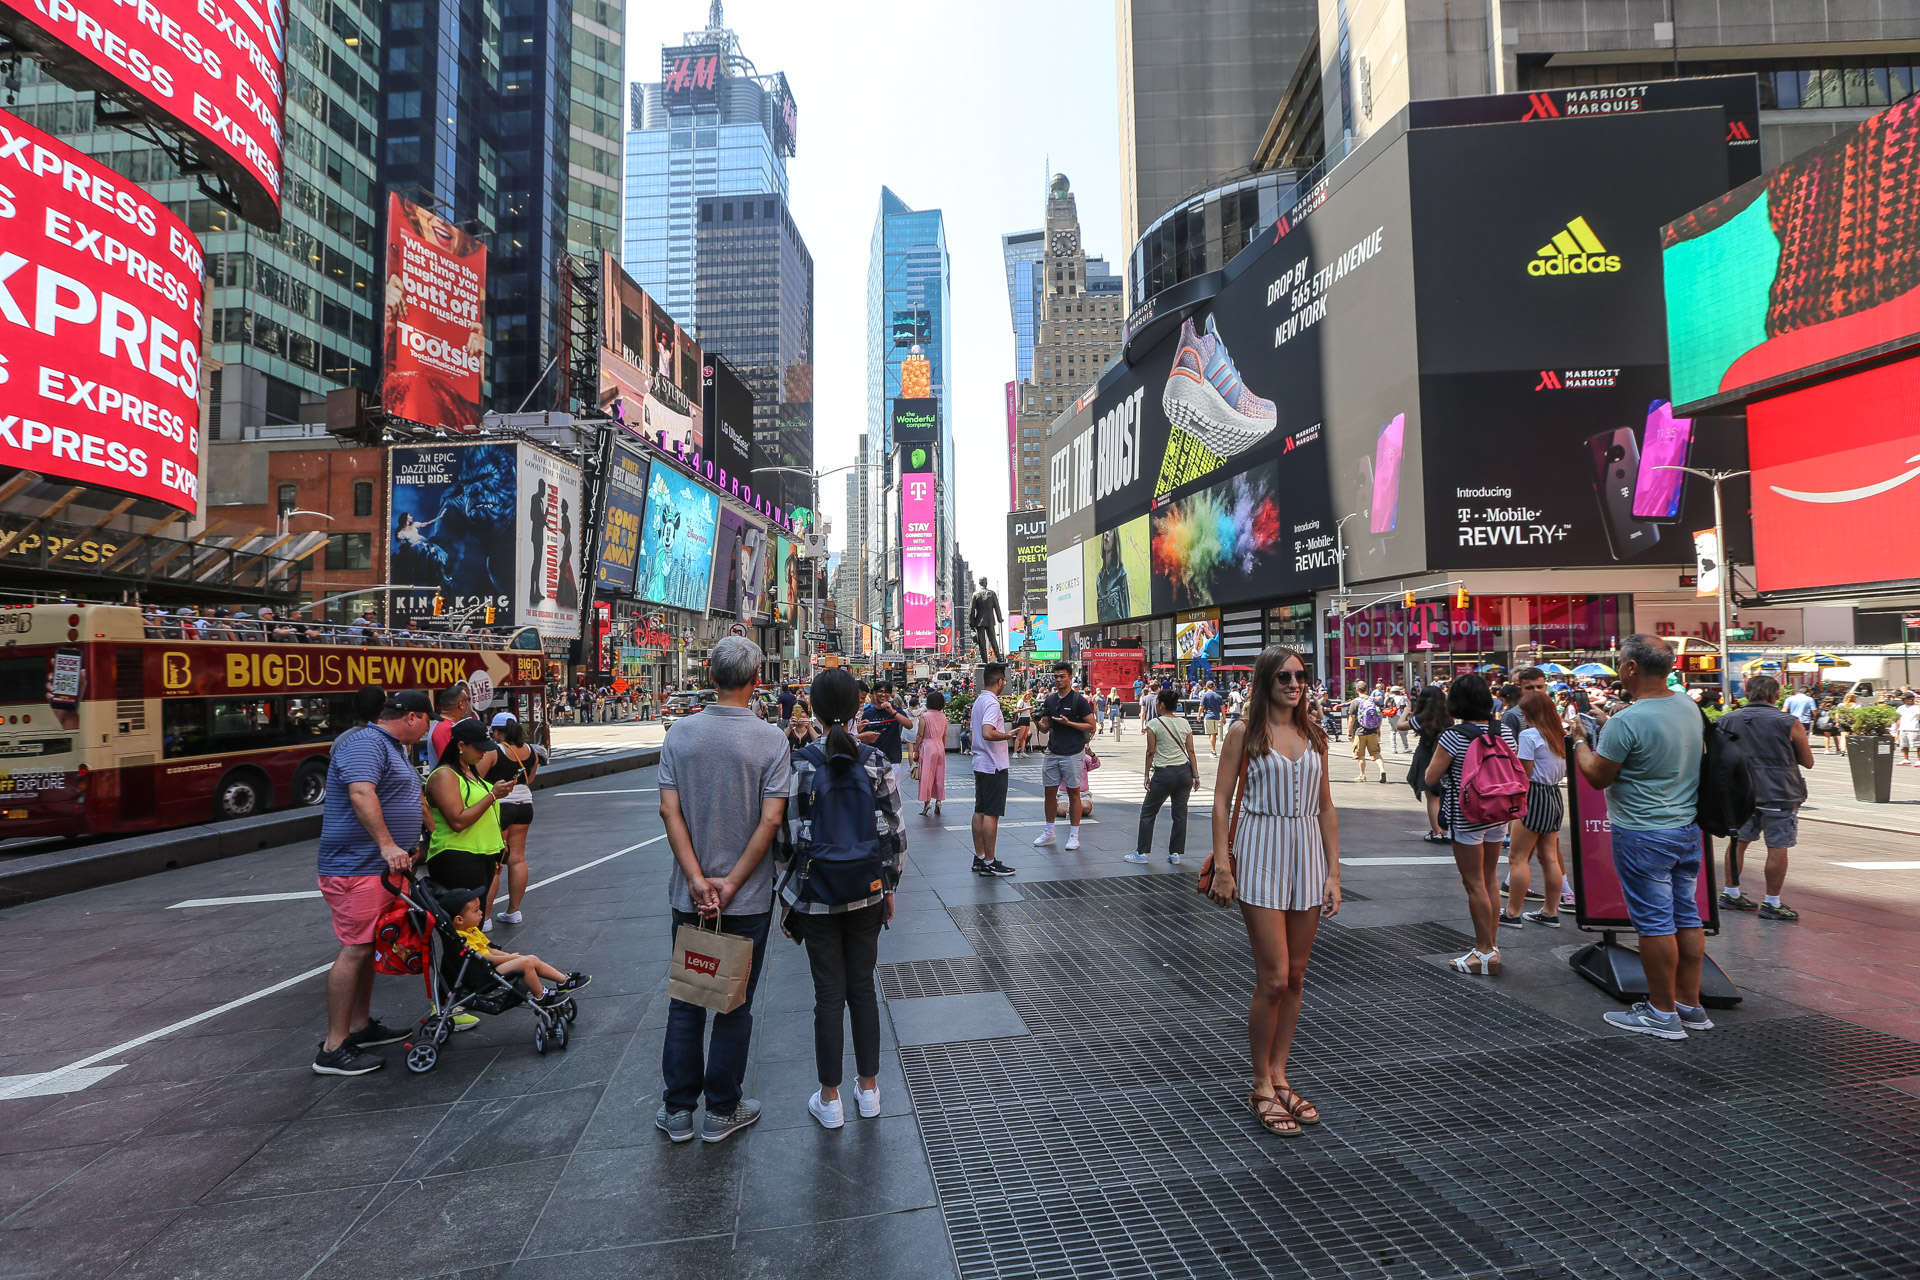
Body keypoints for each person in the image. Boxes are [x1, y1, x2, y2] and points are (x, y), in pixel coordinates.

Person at [656, 636, 791, 1144]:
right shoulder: (770, 740)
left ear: (710, 677)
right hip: (746, 899)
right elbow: (772, 819)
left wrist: (696, 878)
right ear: (757, 681)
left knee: (688, 998)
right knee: (734, 1003)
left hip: (688, 897)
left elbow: (670, 811)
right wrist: (731, 883)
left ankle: (677, 1111)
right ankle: (721, 1111)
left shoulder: (680, 735)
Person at [1204, 645, 1341, 1137]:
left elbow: (1325, 808)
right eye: (1283, 676)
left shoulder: (1314, 734)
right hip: (1260, 853)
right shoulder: (1245, 732)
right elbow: (1221, 802)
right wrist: (1223, 864)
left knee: (1299, 977)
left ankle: (1280, 1074)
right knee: (1275, 978)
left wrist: (1333, 873)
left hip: (1305, 855)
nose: (1293, 684)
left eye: (1300, 676)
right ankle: (1260, 1081)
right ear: (1266, 681)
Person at [774, 668, 905, 1130]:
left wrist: (788, 898)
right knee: (863, 989)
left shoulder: (800, 762)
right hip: (867, 893)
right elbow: (894, 833)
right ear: (856, 708)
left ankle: (829, 1099)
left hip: (816, 896)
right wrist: (887, 885)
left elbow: (786, 839)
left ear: (814, 706)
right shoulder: (874, 761)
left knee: (828, 995)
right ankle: (868, 1090)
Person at [1568, 634, 1713, 1040]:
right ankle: (1690, 1005)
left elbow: (1597, 776)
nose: (1618, 667)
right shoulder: (1687, 706)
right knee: (1686, 916)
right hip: (1686, 829)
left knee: (1653, 924)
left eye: (1619, 661)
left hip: (1642, 834)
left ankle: (1661, 1013)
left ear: (1632, 667)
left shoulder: (1626, 721)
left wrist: (1581, 740)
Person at [312, 689, 434, 1076]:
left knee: (369, 946)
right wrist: (386, 845)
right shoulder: (366, 743)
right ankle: (333, 1047)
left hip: (380, 869)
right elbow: (361, 792)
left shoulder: (392, 746)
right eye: (426, 721)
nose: (428, 731)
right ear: (413, 717)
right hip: (357, 868)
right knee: (356, 950)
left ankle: (361, 1027)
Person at [1425, 674, 1508, 974]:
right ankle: (1492, 946)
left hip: (1468, 815)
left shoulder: (1453, 736)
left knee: (1473, 884)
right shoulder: (1504, 731)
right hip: (1499, 811)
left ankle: (1483, 952)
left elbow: (1431, 778)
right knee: (1490, 880)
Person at [1718, 675, 1812, 920]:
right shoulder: (1788, 722)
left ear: (1747, 693)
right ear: (1776, 694)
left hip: (1742, 793)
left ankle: (1731, 893)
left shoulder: (1726, 720)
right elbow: (1807, 761)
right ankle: (1772, 902)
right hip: (1779, 793)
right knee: (1778, 846)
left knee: (1738, 843)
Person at [424, 718, 514, 935]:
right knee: (466, 925)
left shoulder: (471, 773)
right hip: (457, 855)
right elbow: (458, 821)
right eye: (479, 748)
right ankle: (463, 966)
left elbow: (487, 816)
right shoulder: (445, 775)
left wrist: (497, 850)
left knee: (476, 922)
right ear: (461, 746)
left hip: (480, 854)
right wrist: (493, 795)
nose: (484, 753)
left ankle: (473, 965)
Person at [441, 888, 588, 1001]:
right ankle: (540, 996)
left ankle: (563, 981)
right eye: (476, 911)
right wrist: (509, 958)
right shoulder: (462, 939)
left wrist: (507, 956)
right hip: (481, 975)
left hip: (489, 968)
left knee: (531, 958)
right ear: (459, 920)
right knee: (524, 962)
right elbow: (485, 958)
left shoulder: (472, 929)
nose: (481, 913)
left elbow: (489, 949)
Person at [1500, 691, 1570, 928]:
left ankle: (1512, 913)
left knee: (1517, 858)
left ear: (1529, 713)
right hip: (1554, 795)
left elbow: (1525, 773)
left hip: (1533, 795)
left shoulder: (1530, 735)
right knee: (1549, 857)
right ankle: (1550, 912)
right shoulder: (1560, 735)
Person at [1127, 687, 1198, 865]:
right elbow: (1191, 750)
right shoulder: (1184, 723)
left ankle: (1141, 852)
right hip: (1184, 772)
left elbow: (1151, 751)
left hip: (1164, 773)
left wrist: (1146, 775)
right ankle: (1175, 853)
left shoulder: (1154, 724)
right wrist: (1195, 774)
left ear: (1161, 704)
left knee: (1148, 812)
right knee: (1180, 813)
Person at [1033, 662, 1098, 851]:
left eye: (1062, 676)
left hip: (1073, 752)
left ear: (1070, 677)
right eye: (1056, 676)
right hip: (1053, 751)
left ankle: (1074, 835)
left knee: (1074, 793)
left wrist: (1069, 723)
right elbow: (1045, 727)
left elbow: (1091, 726)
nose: (1058, 680)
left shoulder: (1078, 700)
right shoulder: (1051, 699)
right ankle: (1049, 831)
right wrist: (1037, 721)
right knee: (1049, 792)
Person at [485, 712, 538, 925]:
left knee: (493, 861)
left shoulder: (494, 751)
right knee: (517, 858)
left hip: (500, 806)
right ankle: (514, 911)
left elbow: (477, 778)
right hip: (525, 805)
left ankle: (485, 918)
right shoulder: (531, 751)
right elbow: (529, 779)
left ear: (497, 731)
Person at [970, 663, 1017, 877]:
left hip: (980, 762)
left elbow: (976, 734)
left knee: (980, 810)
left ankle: (980, 857)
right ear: (1000, 682)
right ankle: (990, 861)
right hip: (993, 764)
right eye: (1004, 680)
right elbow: (988, 732)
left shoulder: (979, 701)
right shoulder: (992, 704)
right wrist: (1007, 735)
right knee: (992, 812)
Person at [1408, 685, 1451, 844]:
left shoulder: (1421, 718)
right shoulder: (1447, 717)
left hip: (1425, 756)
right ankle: (1445, 830)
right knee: (1442, 795)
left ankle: (1436, 831)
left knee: (1432, 797)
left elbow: (1400, 726)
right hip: (1444, 755)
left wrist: (1406, 712)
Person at [857, 682, 912, 796]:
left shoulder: (896, 710)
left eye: (886, 692)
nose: (883, 694)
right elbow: (860, 736)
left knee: (893, 792)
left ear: (890, 694)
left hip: (893, 758)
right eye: (880, 691)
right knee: (873, 792)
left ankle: (894, 814)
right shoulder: (867, 713)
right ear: (874, 694)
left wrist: (892, 712)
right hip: (872, 759)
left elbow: (909, 725)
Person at [915, 690, 949, 816]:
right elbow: (945, 735)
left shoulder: (925, 716)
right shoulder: (943, 716)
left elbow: (920, 734)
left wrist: (916, 749)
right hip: (939, 745)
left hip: (928, 747)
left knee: (927, 775)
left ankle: (927, 803)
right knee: (939, 775)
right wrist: (942, 747)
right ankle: (939, 801)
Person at [429, 681, 475, 765]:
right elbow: (449, 764)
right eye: (467, 700)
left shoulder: (442, 724)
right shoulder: (444, 728)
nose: (469, 703)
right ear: (461, 704)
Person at [1349, 681, 1385, 782]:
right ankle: (1382, 769)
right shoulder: (1374, 700)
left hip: (1360, 732)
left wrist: (1349, 731)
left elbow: (1351, 718)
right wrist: (1378, 728)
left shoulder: (1355, 702)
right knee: (1376, 753)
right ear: (1366, 689)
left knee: (1361, 755)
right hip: (1373, 731)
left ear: (1357, 690)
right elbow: (1380, 715)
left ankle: (1362, 775)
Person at [1200, 680, 1225, 755]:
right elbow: (1222, 707)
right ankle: (1213, 749)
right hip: (1216, 716)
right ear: (1214, 687)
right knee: (1213, 734)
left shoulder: (1205, 695)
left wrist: (1198, 715)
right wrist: (1224, 717)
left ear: (1206, 687)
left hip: (1208, 716)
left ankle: (1213, 750)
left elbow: (1201, 706)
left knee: (1211, 734)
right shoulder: (1218, 696)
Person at [1898, 692, 1920, 765]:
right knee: (1904, 745)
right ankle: (1906, 759)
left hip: (1913, 728)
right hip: (1903, 728)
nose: (1903, 700)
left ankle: (1919, 760)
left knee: (1917, 745)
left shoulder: (1916, 708)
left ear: (1911, 699)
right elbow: (1899, 718)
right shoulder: (1901, 708)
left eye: (1904, 699)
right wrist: (1897, 729)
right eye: (1902, 699)